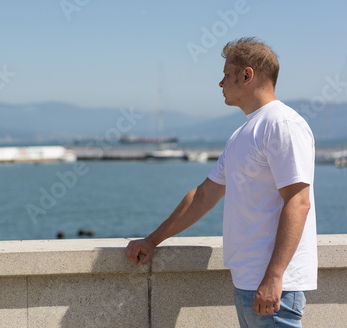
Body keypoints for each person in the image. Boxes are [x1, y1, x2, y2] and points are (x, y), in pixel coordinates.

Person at [125, 37, 317, 328]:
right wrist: (152, 240)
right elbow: (204, 196)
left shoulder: (281, 124)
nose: (220, 82)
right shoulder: (242, 134)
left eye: (227, 74)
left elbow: (298, 201)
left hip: (275, 286)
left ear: (247, 75)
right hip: (248, 282)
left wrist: (275, 276)